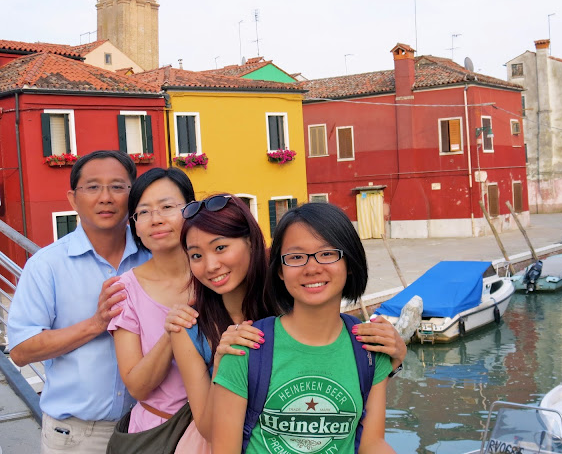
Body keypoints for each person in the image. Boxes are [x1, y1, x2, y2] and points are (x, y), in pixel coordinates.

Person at [168, 195, 405, 449]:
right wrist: (220, 365)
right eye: (195, 255)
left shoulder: (295, 302)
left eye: (220, 248)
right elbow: (210, 430)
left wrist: (396, 357)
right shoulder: (220, 338)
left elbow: (367, 429)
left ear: (251, 244)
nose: (211, 265)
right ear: (280, 268)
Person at [8, 150, 149, 454]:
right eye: (93, 187)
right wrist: (96, 324)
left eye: (117, 186)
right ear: (73, 199)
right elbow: (20, 351)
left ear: (133, 195)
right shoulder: (47, 265)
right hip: (77, 434)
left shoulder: (155, 257)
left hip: (150, 427)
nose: (106, 197)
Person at [107, 168, 195, 433]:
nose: (155, 219)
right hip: (158, 433)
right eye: (143, 212)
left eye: (167, 206)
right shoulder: (124, 290)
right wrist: (172, 333)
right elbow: (137, 386)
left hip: (227, 427)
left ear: (191, 210)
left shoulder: (218, 274)